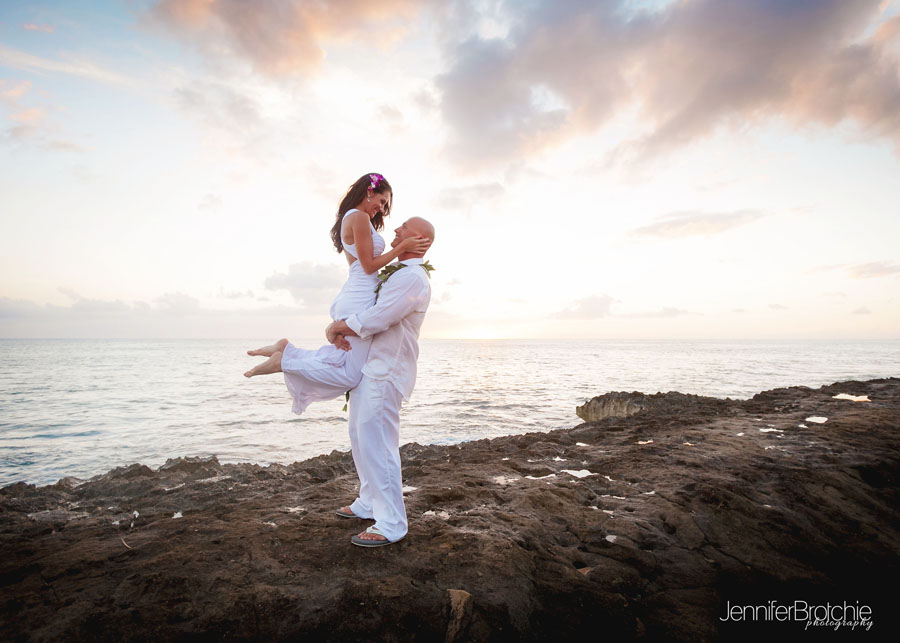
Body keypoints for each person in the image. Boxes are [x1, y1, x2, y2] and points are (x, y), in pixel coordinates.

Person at [243, 173, 430, 416]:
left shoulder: (355, 218)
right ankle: (285, 361)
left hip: (356, 293)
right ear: (369, 192)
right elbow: (369, 266)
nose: (381, 209)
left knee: (341, 359)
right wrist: (402, 248)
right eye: (381, 201)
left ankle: (288, 350)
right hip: (359, 296)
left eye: (385, 205)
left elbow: (364, 266)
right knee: (350, 374)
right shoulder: (359, 217)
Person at [325, 216, 435, 547]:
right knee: (360, 436)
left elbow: (380, 317)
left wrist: (340, 326)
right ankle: (368, 502)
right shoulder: (398, 274)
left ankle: (391, 523)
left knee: (379, 444)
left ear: (418, 238)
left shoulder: (413, 278)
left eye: (403, 228)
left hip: (387, 371)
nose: (395, 232)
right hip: (371, 367)